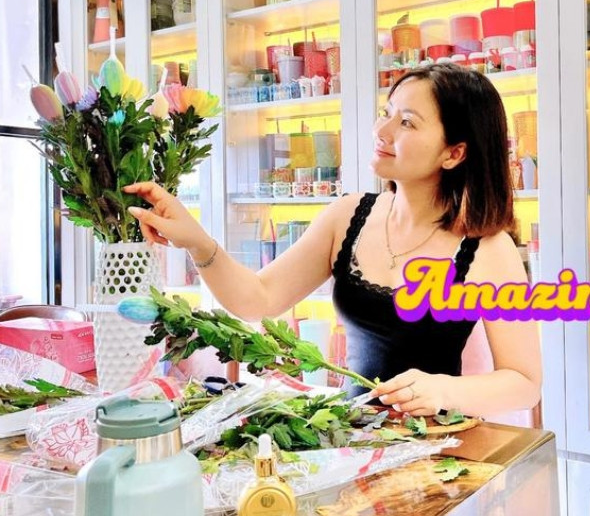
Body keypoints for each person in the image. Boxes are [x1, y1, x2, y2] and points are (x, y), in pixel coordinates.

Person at [126, 63, 541, 417]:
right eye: (386, 113)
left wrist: (444, 390)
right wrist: (198, 242)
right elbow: (258, 299)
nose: (382, 130)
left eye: (407, 122)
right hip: (352, 437)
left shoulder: (486, 248)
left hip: (437, 450)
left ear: (454, 153)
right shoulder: (349, 216)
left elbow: (524, 383)